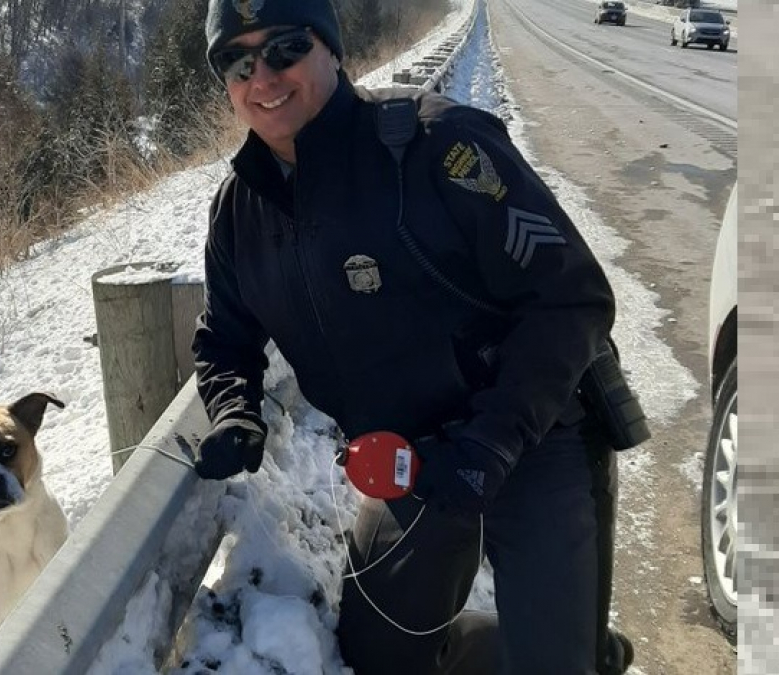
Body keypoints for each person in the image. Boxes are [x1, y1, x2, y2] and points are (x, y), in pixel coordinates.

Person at [190, 0, 638, 673]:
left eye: (285, 48)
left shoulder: (437, 149)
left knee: (554, 663)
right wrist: (234, 410)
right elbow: (224, 337)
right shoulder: (238, 212)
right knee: (380, 655)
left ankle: (572, 643)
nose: (263, 77)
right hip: (405, 462)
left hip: (535, 435)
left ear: (331, 50)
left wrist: (490, 442)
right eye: (237, 60)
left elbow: (570, 297)